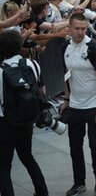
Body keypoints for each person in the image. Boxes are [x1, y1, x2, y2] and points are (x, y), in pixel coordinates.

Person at [60, 13, 96, 196]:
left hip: (95, 104)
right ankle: (79, 182)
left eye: (84, 28)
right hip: (75, 105)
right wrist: (66, 100)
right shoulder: (65, 47)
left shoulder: (94, 47)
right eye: (77, 28)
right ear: (70, 28)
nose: (81, 32)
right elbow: (67, 75)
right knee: (74, 145)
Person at [0, 29, 49, 196]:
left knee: (4, 166)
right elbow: (41, 90)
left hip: (5, 123)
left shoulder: (1, 71)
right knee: (27, 157)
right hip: (27, 119)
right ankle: (42, 192)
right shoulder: (32, 64)